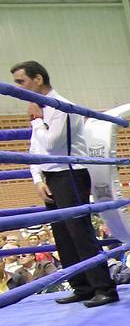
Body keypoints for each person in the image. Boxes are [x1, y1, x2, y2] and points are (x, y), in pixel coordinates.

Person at [10, 60, 118, 307]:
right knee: (63, 236)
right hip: (50, 177)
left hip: (70, 173)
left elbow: (52, 145)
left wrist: (37, 121)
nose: (19, 89)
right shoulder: (41, 109)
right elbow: (34, 149)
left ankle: (104, 288)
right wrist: (38, 179)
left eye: (21, 82)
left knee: (80, 233)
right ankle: (82, 287)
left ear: (38, 79)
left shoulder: (61, 107)